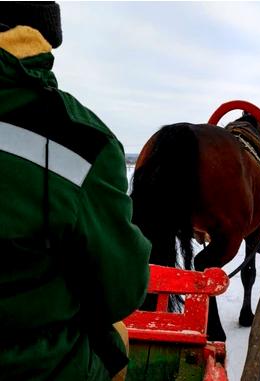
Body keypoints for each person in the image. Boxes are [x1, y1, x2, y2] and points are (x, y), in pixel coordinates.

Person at [0, 2, 151, 380]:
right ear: (43, 38)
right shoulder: (82, 141)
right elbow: (120, 292)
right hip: (40, 367)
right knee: (116, 340)